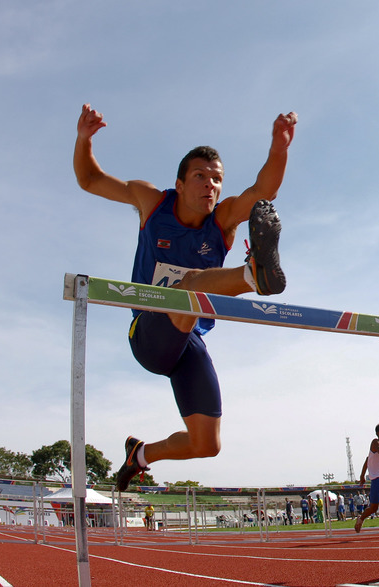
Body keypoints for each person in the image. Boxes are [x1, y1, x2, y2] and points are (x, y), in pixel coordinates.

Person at [74, 104, 298, 492]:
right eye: (200, 176)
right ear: (179, 184)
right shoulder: (152, 203)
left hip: (188, 343)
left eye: (217, 179)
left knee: (206, 444)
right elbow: (90, 179)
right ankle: (253, 275)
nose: (210, 185)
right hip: (149, 335)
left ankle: (140, 455)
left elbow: (264, 193)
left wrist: (279, 148)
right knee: (190, 287)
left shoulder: (223, 220)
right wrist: (84, 140)